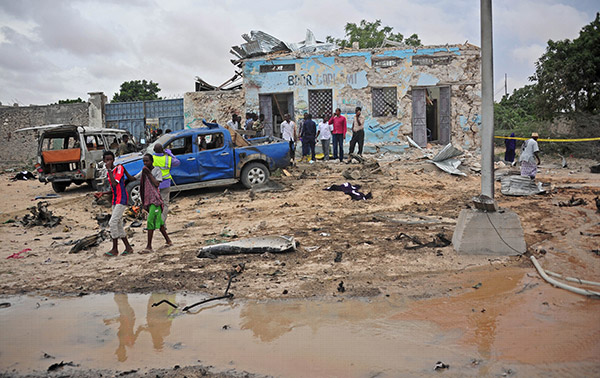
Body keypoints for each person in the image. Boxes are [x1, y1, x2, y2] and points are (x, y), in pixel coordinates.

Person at [137, 153, 172, 253]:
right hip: (148, 199)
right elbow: (134, 178)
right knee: (160, 223)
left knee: (150, 221)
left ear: (151, 161)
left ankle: (149, 246)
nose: (145, 163)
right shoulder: (143, 171)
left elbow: (157, 183)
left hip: (155, 200)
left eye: (147, 161)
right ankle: (168, 241)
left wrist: (148, 174)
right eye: (144, 161)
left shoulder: (156, 171)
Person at [103, 150, 134, 257]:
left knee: (113, 222)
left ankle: (115, 248)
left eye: (110, 160)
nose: (108, 162)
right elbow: (113, 187)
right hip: (116, 199)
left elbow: (115, 183)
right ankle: (128, 247)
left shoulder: (118, 168)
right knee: (119, 224)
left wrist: (109, 170)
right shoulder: (110, 171)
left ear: (113, 160)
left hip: (122, 199)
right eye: (106, 160)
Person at [152, 143, 181, 225]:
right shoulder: (168, 158)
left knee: (155, 204)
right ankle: (162, 223)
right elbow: (177, 162)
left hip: (155, 184)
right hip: (165, 183)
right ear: (163, 150)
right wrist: (170, 154)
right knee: (165, 204)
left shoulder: (152, 158)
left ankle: (155, 221)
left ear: (154, 150)